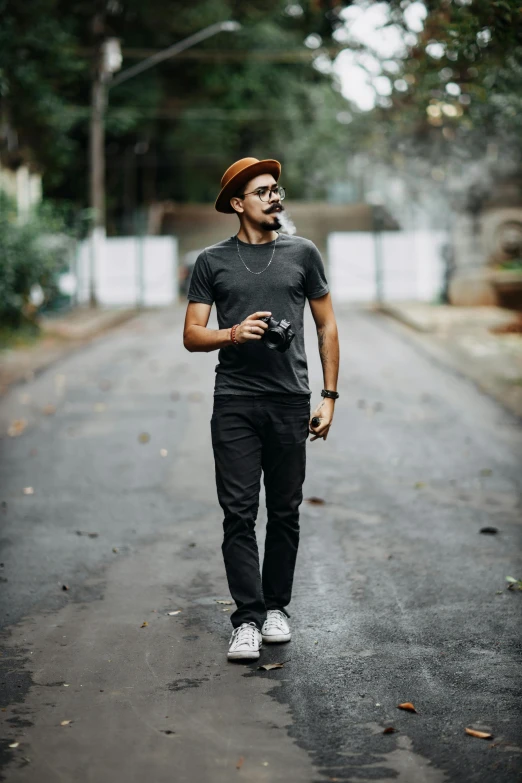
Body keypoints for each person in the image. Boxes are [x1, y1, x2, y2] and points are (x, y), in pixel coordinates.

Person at [183, 157, 340, 661]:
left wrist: (329, 396)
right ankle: (247, 619)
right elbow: (191, 334)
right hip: (234, 400)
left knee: (286, 511)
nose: (275, 196)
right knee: (238, 513)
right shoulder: (211, 261)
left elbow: (327, 327)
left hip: (290, 399)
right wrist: (233, 333)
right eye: (263, 191)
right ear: (237, 203)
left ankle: (276, 608)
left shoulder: (303, 253)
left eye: (277, 189)